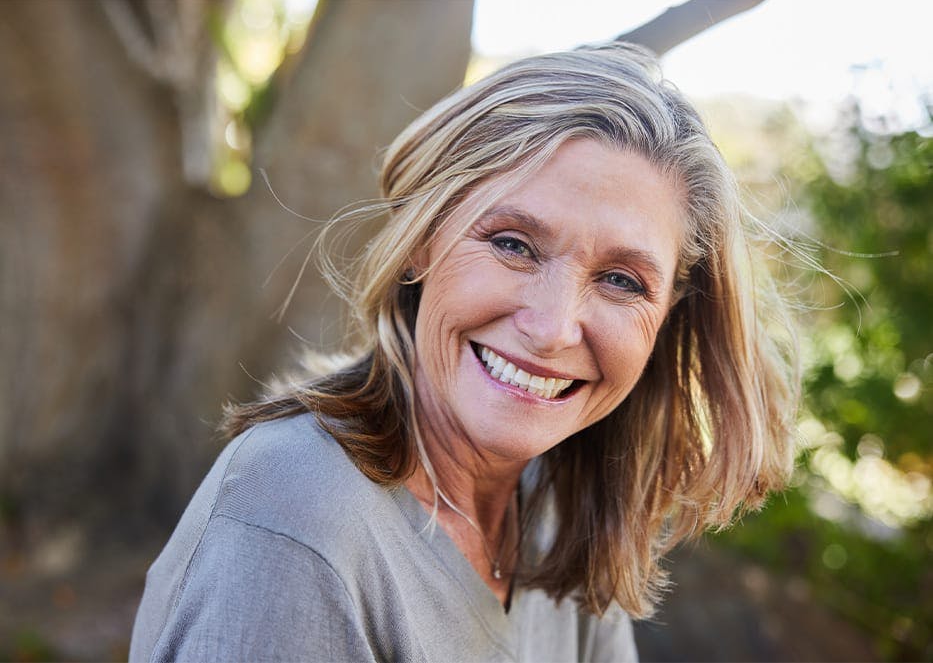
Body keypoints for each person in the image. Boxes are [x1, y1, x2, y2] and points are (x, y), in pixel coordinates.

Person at [129, 43, 798, 661]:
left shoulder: (555, 512)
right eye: (512, 243)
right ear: (421, 236)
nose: (552, 326)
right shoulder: (295, 511)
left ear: (666, 318)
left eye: (621, 280)